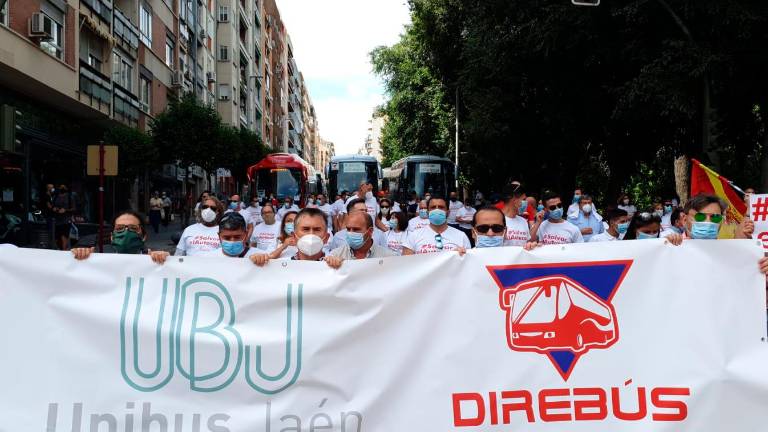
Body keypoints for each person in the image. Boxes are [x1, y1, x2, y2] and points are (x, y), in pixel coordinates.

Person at [251, 207, 338, 267]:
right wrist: (256, 261)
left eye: (317, 229)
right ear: (294, 236)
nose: (311, 234)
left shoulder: (336, 265)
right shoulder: (280, 266)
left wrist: (341, 267)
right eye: (305, 229)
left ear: (326, 238)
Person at [71, 210, 167, 263]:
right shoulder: (98, 258)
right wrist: (80, 256)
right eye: (119, 228)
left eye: (133, 228)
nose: (126, 232)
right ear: (112, 236)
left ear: (144, 236)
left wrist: (165, 262)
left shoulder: (152, 260)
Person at [402, 196, 471, 254]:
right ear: (428, 212)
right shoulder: (414, 236)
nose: (437, 210)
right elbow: (406, 264)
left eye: (441, 207)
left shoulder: (461, 236)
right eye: (433, 207)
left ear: (448, 212)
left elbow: (468, 264)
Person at [325, 211, 394, 267]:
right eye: (348, 229)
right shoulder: (335, 255)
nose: (350, 233)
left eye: (356, 229)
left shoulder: (388, 257)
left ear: (370, 231)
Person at [52, 184, 76, 250]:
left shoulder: (69, 197)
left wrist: (65, 210)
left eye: (63, 187)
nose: (62, 188)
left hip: (66, 220)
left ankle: (64, 251)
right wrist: (54, 208)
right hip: (57, 220)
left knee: (64, 237)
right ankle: (62, 249)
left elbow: (74, 208)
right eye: (61, 186)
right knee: (57, 239)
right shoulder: (56, 197)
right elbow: (52, 206)